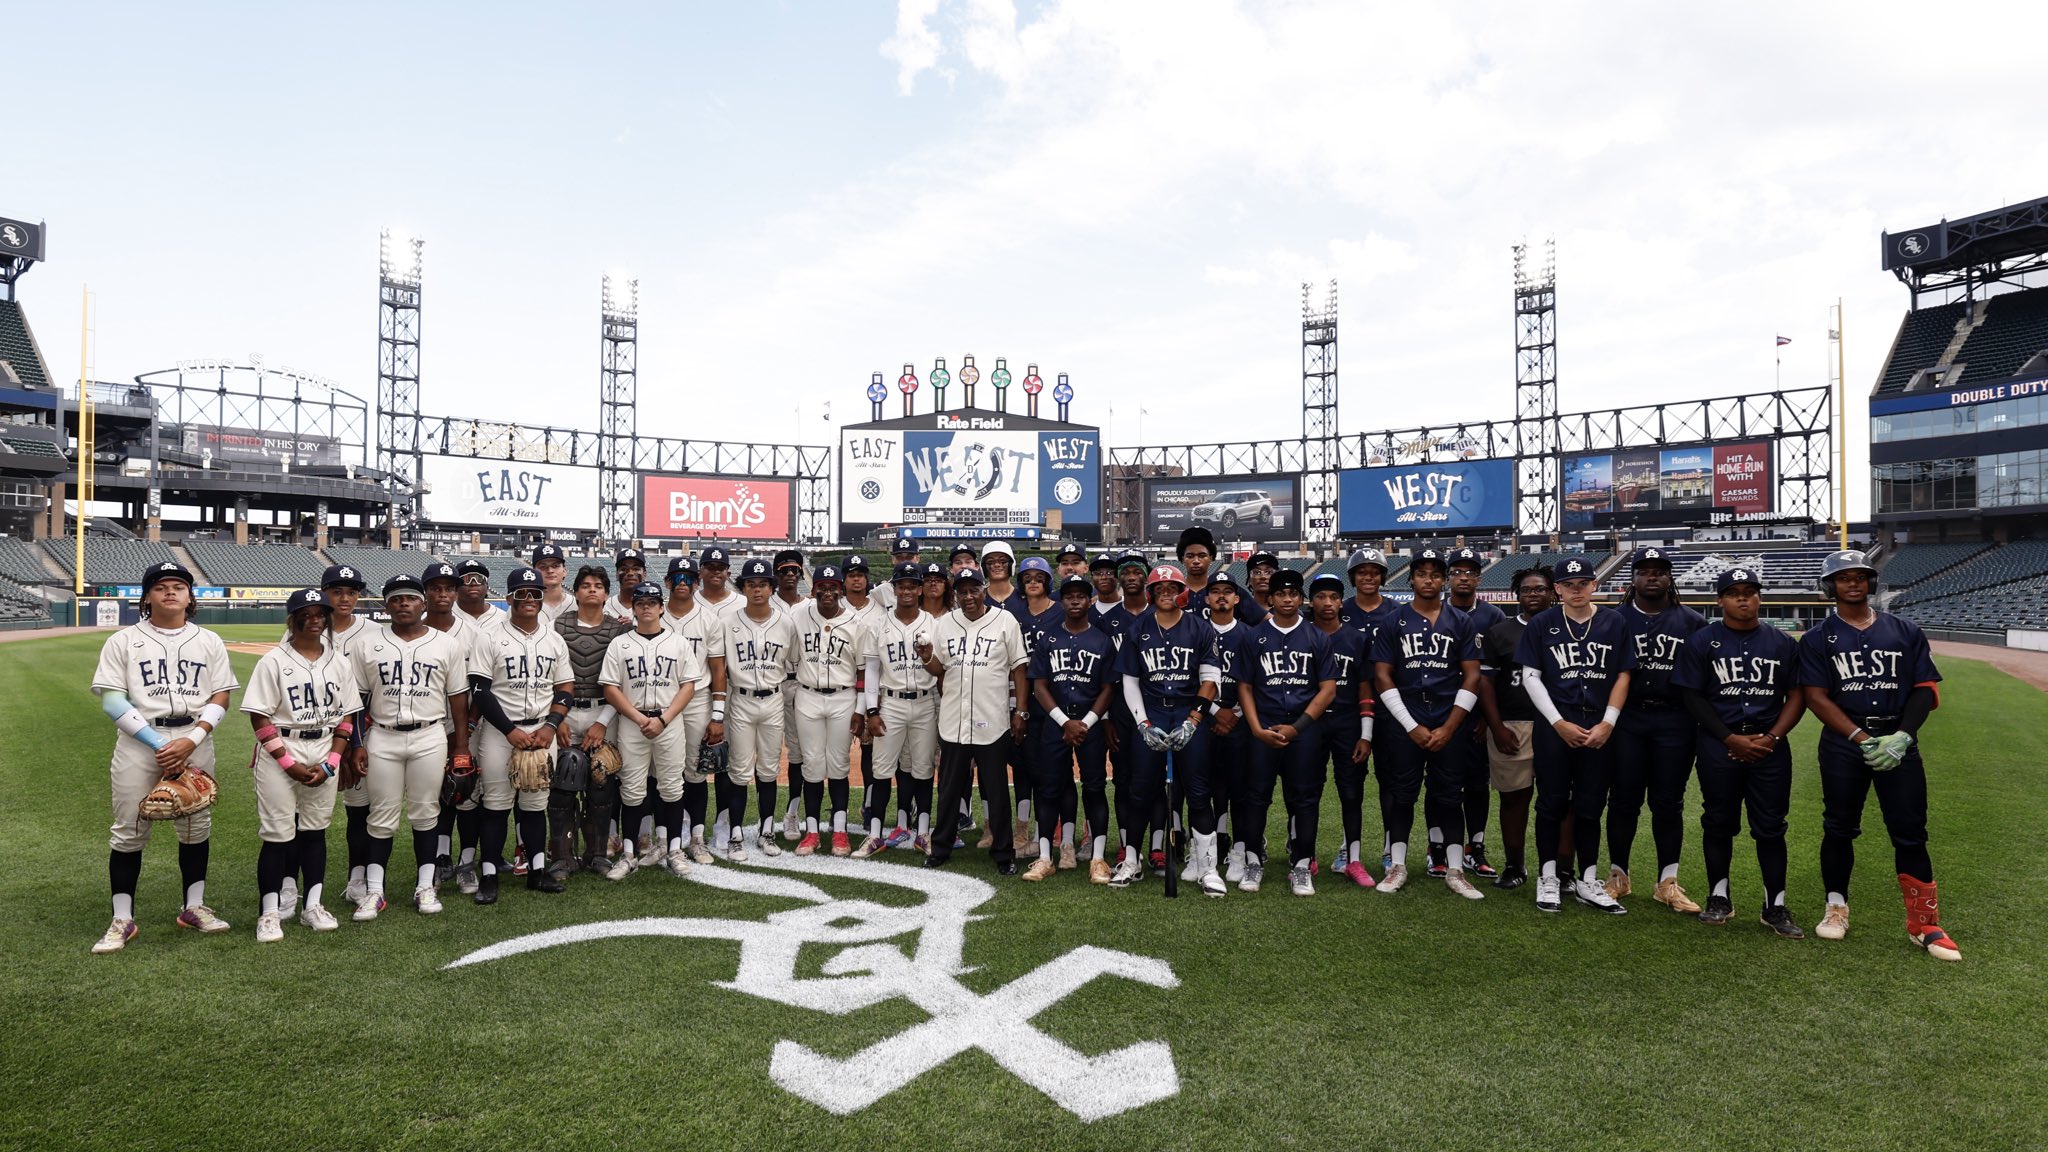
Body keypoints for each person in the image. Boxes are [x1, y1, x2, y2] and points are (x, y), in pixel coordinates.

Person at [1797, 550, 1959, 961]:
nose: (1854, 583)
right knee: (1838, 828)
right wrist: (1859, 736)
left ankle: (1925, 924)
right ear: (1830, 585)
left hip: (1898, 738)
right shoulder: (1817, 639)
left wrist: (1902, 736)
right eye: (1844, 577)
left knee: (1909, 831)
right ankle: (1836, 908)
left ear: (1871, 583)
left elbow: (1925, 688)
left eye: (1861, 576)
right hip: (1843, 743)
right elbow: (1815, 696)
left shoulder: (1905, 631)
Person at [89, 561, 240, 953]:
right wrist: (158, 743)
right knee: (129, 830)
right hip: (140, 740)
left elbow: (221, 695)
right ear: (147, 597)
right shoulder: (122, 641)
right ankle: (122, 918)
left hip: (195, 737)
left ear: (190, 597)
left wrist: (192, 739)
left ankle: (194, 907)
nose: (170, 592)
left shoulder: (209, 641)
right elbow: (111, 699)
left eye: (178, 586)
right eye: (160, 587)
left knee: (196, 825)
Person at [1673, 567, 1806, 936]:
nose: (1743, 598)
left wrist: (1773, 738)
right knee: (1718, 821)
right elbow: (1691, 695)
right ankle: (1720, 897)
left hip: (1770, 746)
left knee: (1771, 827)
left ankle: (1775, 906)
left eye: (1750, 591)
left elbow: (1796, 695)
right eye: (1734, 592)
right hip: (1719, 744)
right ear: (1720, 600)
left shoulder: (1783, 643)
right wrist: (1728, 738)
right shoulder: (1702, 641)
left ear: (1760, 597)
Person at [348, 572, 473, 918]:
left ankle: (425, 887)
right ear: (386, 605)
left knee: (425, 813)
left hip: (429, 734)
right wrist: (357, 742)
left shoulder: (446, 643)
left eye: (411, 598)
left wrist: (461, 746)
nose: (404, 603)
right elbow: (357, 699)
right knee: (381, 816)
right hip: (383, 736)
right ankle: (374, 891)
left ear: (423, 602)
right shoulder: (367, 643)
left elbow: (459, 700)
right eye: (396, 598)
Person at [1515, 556, 1635, 915]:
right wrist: (1556, 722)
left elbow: (1623, 675)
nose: (1576, 590)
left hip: (1598, 727)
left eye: (1583, 583)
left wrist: (1609, 723)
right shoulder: (1543, 624)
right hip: (1556, 726)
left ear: (1594, 585)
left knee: (1590, 806)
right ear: (1557, 590)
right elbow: (1530, 677)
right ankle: (1548, 877)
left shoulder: (1614, 622)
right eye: (1568, 585)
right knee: (1551, 803)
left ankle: (1587, 879)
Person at [1370, 548, 1485, 900]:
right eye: (1422, 573)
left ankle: (1455, 869)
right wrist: (1409, 725)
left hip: (1448, 717)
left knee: (1450, 796)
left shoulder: (1462, 622)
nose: (1429, 580)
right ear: (1412, 578)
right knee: (1402, 794)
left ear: (1444, 579)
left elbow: (1473, 675)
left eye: (1436, 573)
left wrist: (1450, 727)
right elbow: (1382, 676)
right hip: (1406, 717)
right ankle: (1398, 865)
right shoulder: (1392, 621)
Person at [242, 589, 357, 940]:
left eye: (319, 613)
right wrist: (287, 762)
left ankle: (313, 906)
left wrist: (332, 762)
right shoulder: (273, 661)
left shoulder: (339, 661)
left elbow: (347, 718)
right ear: (292, 619)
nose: (314, 619)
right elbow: (260, 718)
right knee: (277, 836)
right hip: (283, 749)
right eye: (304, 614)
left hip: (323, 749)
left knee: (314, 832)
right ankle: (270, 913)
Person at [1111, 563, 1223, 893]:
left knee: (1199, 793)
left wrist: (1194, 720)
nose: (1165, 594)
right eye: (1159, 590)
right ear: (1151, 593)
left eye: (1171, 589)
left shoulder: (1200, 629)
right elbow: (1129, 682)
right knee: (1140, 791)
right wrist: (1142, 722)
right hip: (1152, 714)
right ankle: (1132, 861)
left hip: (1189, 715)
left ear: (1182, 593)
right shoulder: (1138, 629)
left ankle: (1208, 868)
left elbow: (1210, 679)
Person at [1608, 546, 1708, 912]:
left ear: (1670, 578)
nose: (1652, 577)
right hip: (1627, 718)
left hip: (1676, 719)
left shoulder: (1692, 622)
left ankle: (1667, 881)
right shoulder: (1613, 619)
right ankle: (1618, 874)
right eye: (1644, 571)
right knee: (1623, 800)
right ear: (1632, 578)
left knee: (1668, 802)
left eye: (1660, 571)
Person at [467, 566, 574, 901]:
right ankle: (488, 876)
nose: (529, 598)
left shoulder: (554, 639)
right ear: (510, 597)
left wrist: (551, 726)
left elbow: (565, 688)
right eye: (522, 593)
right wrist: (509, 730)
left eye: (535, 593)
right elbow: (480, 691)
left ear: (542, 598)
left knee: (534, 805)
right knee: (496, 806)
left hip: (542, 730)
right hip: (501, 732)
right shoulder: (489, 636)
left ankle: (537, 873)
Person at [1235, 568, 1342, 896]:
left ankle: (1300, 865)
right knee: (1256, 797)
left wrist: (1297, 728)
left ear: (1301, 598)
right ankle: (1254, 861)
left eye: (1293, 593)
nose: (1286, 599)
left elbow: (1328, 690)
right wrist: (1255, 728)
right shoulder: (1254, 636)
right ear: (1270, 598)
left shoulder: (1316, 637)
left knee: (1304, 798)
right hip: (1263, 727)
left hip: (1303, 728)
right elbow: (1245, 687)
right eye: (1280, 594)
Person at [919, 565, 1030, 874]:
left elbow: (1019, 669)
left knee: (995, 790)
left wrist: (1020, 711)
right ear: (956, 593)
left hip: (992, 719)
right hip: (954, 719)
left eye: (973, 590)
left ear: (984, 590)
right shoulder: (945, 624)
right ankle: (939, 848)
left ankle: (1003, 853)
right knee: (949, 790)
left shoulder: (1004, 620)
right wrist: (927, 655)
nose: (968, 596)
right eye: (962, 591)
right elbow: (938, 669)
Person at [600, 581, 703, 880]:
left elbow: (689, 686)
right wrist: (637, 717)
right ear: (633, 609)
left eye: (652, 602)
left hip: (668, 722)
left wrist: (664, 719)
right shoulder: (621, 644)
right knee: (632, 792)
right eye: (640, 602)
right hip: (633, 723)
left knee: (671, 788)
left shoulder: (678, 642)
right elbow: (610, 687)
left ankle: (673, 850)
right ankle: (629, 855)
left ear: (661, 607)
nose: (646, 606)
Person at [1026, 574, 1117, 882]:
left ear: (1089, 600)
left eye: (1081, 595)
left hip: (1089, 723)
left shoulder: (1102, 640)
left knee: (1094, 787)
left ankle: (1099, 859)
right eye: (1069, 596)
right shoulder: (1048, 638)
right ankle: (1044, 858)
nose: (1075, 600)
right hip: (1056, 723)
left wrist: (1086, 723)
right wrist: (1065, 722)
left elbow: (1108, 688)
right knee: (1049, 788)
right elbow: (1039, 685)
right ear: (1061, 601)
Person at [856, 563, 941, 857]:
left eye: (911, 585)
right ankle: (875, 834)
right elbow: (871, 670)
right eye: (901, 585)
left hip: (924, 700)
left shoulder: (933, 623)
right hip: (890, 702)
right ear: (893, 589)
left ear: (920, 589)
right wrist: (871, 711)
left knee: (923, 770)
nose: (906, 590)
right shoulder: (878, 624)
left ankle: (923, 833)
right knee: (881, 771)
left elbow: (940, 668)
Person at [1477, 566, 1553, 890]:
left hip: (1557, 726)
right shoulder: (1501, 632)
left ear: (1553, 592)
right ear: (1516, 594)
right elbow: (1486, 683)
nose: (1532, 594)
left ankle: (1561, 870)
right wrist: (1496, 726)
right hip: (1513, 724)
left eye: (1539, 589)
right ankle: (1514, 866)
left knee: (1559, 800)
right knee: (1513, 800)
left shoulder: (1565, 628)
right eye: (1526, 590)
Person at [719, 558, 800, 860]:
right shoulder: (728, 622)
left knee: (768, 770)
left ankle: (767, 832)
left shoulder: (786, 622)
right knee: (739, 771)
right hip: (739, 699)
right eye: (750, 584)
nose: (756, 590)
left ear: (771, 588)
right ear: (742, 588)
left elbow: (791, 661)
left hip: (773, 699)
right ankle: (736, 836)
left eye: (762, 584)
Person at [789, 562, 871, 856]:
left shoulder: (855, 623)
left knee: (838, 765)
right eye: (821, 588)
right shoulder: (798, 615)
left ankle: (839, 831)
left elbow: (863, 671)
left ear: (841, 590)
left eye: (832, 588)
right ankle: (811, 832)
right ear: (813, 591)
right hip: (808, 694)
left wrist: (861, 709)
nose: (827, 593)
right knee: (811, 765)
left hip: (842, 697)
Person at [550, 565, 626, 880]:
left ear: (607, 594)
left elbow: (621, 681)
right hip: (566, 712)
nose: (592, 589)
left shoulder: (618, 630)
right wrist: (556, 719)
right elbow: (551, 674)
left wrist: (604, 722)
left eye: (598, 585)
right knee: (564, 779)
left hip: (602, 711)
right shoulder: (559, 625)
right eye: (585, 585)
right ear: (576, 592)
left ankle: (598, 853)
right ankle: (563, 855)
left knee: (601, 780)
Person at [1315, 561, 1384, 889]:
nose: (1327, 603)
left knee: (1351, 793)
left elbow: (1365, 689)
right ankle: (1305, 856)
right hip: (1311, 723)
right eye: (1320, 597)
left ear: (1342, 602)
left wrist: (1366, 735)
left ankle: (1353, 860)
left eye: (1333, 597)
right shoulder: (1301, 634)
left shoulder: (1356, 639)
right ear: (1311, 602)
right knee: (1305, 792)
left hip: (1347, 723)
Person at [1438, 545, 1503, 879]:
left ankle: (1475, 847)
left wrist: (1485, 717)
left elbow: (1496, 674)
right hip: (1439, 712)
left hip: (1477, 718)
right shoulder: (1436, 612)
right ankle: (1438, 848)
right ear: (1448, 578)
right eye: (1457, 572)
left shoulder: (1492, 616)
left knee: (1476, 784)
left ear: (1479, 577)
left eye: (1470, 572)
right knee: (1439, 783)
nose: (1464, 578)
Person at [1333, 547, 1398, 881]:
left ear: (1383, 577)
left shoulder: (1397, 612)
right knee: (1351, 782)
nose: (1368, 577)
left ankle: (1390, 850)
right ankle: (1348, 846)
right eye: (1362, 571)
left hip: (1389, 706)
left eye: (1374, 572)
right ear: (1353, 577)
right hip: (1347, 706)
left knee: (1389, 779)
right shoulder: (1339, 611)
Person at [421, 560, 485, 892]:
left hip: (468, 727)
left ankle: (466, 861)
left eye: (448, 588)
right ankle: (442, 857)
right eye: (436, 587)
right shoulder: (413, 630)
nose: (443, 593)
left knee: (468, 791)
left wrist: (466, 730)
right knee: (438, 794)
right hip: (429, 727)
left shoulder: (472, 633)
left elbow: (480, 684)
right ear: (426, 592)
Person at [660, 555, 727, 866]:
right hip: (661, 701)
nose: (683, 583)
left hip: (697, 699)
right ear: (668, 582)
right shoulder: (654, 615)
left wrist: (717, 715)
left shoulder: (708, 619)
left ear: (697, 583)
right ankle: (663, 837)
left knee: (695, 773)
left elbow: (717, 668)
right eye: (678, 577)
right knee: (661, 771)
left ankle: (697, 838)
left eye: (689, 577)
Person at [1200, 572, 1253, 884]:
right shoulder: (1197, 631)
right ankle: (1216, 844)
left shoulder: (1249, 635)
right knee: (1211, 787)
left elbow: (1257, 682)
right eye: (1215, 592)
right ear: (1206, 599)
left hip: (1241, 719)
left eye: (1227, 592)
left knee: (1240, 789)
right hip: (1207, 717)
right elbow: (1192, 677)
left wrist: (1234, 713)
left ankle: (1240, 850)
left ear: (1236, 599)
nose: (1221, 596)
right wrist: (1216, 711)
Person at [771, 548, 809, 840]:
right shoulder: (764, 602)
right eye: (784, 570)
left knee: (799, 754)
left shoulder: (809, 606)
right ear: (776, 574)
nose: (789, 575)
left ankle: (793, 812)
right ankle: (763, 816)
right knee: (767, 757)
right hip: (770, 685)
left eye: (794, 570)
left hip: (800, 684)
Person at [454, 557, 509, 632]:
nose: (473, 583)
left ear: (487, 585)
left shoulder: (503, 618)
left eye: (479, 578)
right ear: (456, 587)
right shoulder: (444, 615)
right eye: (466, 579)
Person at [604, 547, 650, 623]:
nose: (630, 573)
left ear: (644, 574)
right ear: (616, 575)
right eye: (624, 569)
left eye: (636, 569)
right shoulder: (605, 607)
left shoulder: (654, 608)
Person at [532, 543, 574, 623]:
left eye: (555, 566)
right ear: (533, 572)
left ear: (564, 571)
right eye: (542, 567)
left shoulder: (578, 606)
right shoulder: (522, 606)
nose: (550, 571)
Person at [874, 534, 919, 610]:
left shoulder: (926, 589)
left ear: (917, 559)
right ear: (893, 559)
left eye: (909, 557)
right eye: (899, 558)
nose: (904, 562)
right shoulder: (881, 591)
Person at [981, 541, 1023, 616]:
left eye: (1002, 561)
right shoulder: (978, 598)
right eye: (990, 562)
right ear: (984, 567)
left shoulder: (1024, 597)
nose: (997, 565)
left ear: (1011, 565)